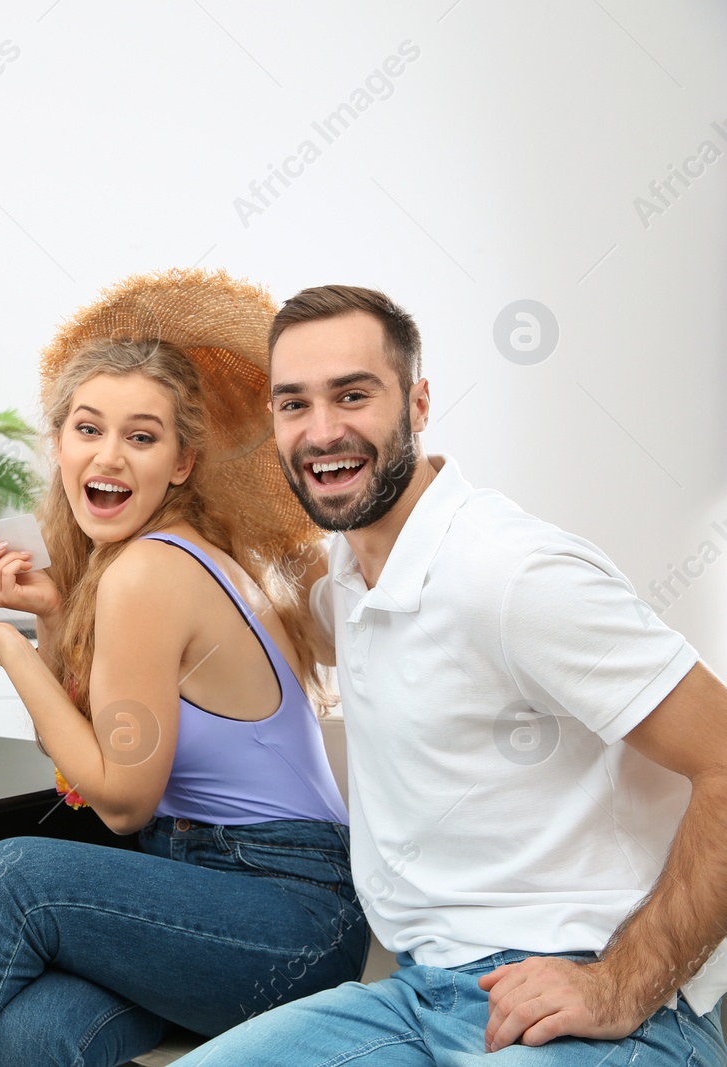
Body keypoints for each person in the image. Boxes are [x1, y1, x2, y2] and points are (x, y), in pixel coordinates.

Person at [176, 285, 727, 1065]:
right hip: (420, 993)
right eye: (293, 403)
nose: (322, 429)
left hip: (593, 1003)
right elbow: (299, 617)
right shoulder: (351, 566)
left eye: (354, 394)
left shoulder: (511, 575)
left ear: (419, 401)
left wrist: (622, 982)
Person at [0, 270, 369, 1067]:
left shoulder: (149, 571)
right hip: (214, 894)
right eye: (88, 428)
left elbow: (118, 799)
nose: (108, 454)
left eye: (141, 437)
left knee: (12, 875)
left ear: (182, 462)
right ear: (58, 443)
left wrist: (9, 649)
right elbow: (98, 756)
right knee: (35, 1030)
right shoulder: (167, 559)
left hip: (284, 916)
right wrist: (49, 620)